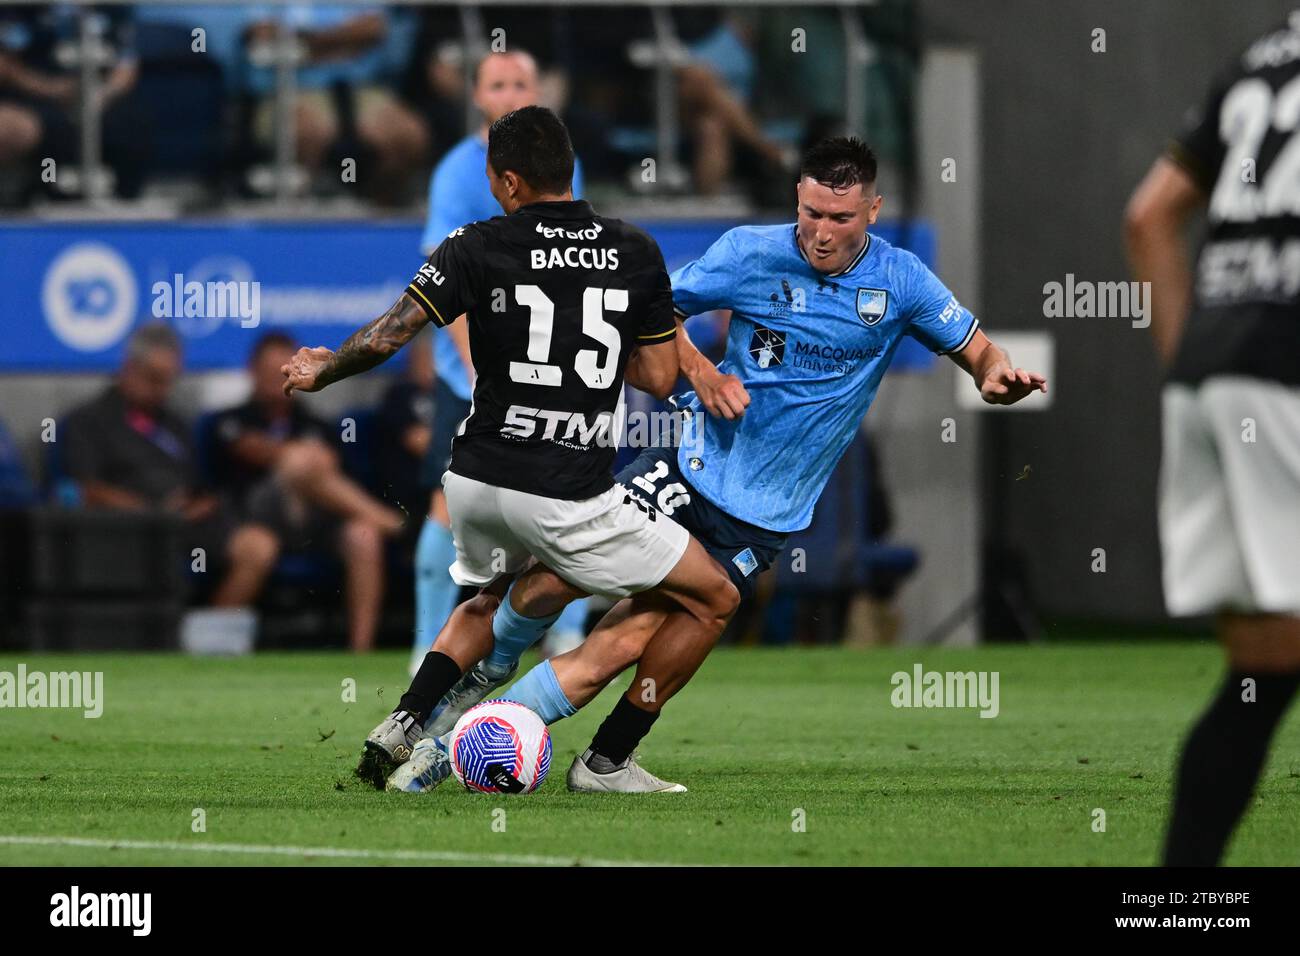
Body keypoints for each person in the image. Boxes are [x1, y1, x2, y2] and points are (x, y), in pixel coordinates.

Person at [389, 137, 1047, 794]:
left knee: (637, 632)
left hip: (766, 512)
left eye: (839, 218)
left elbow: (980, 353)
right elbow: (653, 314)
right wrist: (700, 373)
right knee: (551, 581)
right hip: (688, 466)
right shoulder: (749, 252)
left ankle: (559, 758)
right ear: (798, 197)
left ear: (872, 211)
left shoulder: (901, 281)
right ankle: (465, 693)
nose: (820, 233)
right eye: (811, 212)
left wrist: (996, 378)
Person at [279, 106, 739, 791]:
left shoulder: (474, 243)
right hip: (567, 489)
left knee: (488, 598)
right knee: (715, 596)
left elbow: (387, 337)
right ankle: (601, 759)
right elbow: (656, 376)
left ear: (507, 182)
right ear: (569, 170)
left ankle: (408, 718)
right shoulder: (633, 249)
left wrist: (323, 369)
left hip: (474, 478)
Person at [1124, 11, 1300, 867]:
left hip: (1210, 374)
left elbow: (1149, 215)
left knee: (1266, 667)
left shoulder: (1262, 54)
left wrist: (1193, 364)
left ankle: (1181, 901)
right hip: (1284, 371)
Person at [410, 49, 588, 674]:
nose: (510, 93)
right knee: (448, 505)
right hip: (475, 380)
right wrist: (483, 373)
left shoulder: (566, 166)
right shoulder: (458, 173)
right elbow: (445, 288)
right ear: (478, 98)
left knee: (561, 498)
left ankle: (565, 640)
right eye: (498, 84)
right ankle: (426, 649)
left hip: (545, 377)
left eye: (522, 83)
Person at [210, 331, 404, 652]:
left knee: (364, 536)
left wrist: (312, 464)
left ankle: (360, 652)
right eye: (269, 370)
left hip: (316, 522)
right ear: (252, 371)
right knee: (300, 461)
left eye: (285, 370)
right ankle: (395, 523)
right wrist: (304, 460)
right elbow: (256, 452)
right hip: (253, 516)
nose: (278, 378)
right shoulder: (229, 420)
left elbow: (338, 473)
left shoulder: (317, 424)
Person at [60, 323, 266, 608]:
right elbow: (85, 490)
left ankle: (211, 640)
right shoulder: (88, 421)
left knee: (257, 545)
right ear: (129, 368)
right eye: (154, 379)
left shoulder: (175, 424)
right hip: (128, 528)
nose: (162, 390)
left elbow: (198, 487)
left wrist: (195, 506)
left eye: (169, 380)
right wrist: (151, 512)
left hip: (186, 526)